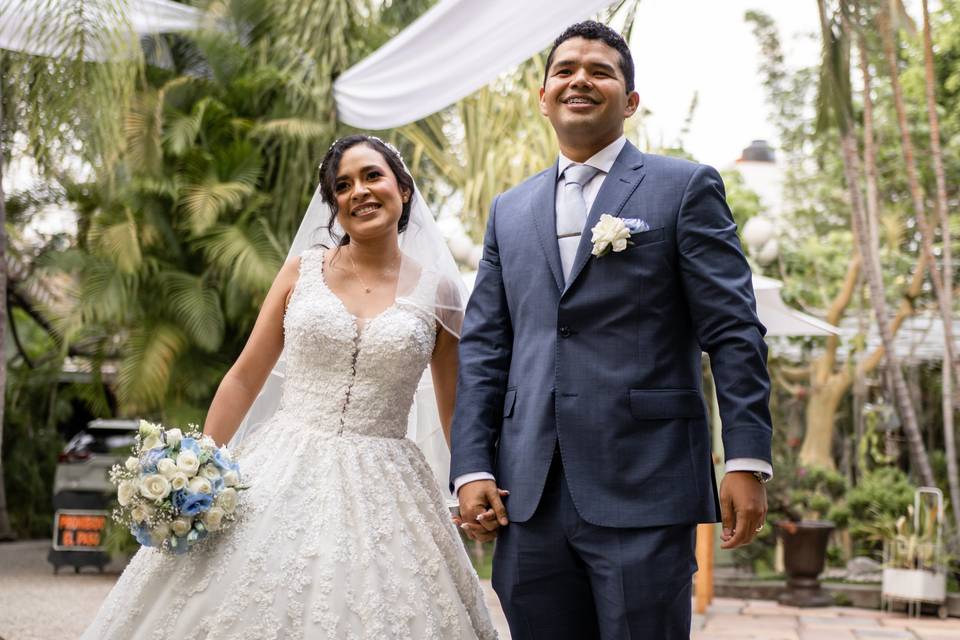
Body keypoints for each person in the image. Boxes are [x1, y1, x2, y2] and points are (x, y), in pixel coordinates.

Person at [83, 135, 498, 640]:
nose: (359, 192)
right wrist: (199, 465)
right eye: (342, 186)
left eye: (372, 176)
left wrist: (470, 486)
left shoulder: (442, 290)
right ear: (334, 207)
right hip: (281, 463)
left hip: (387, 480)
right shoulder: (301, 272)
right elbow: (244, 375)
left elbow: (455, 410)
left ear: (403, 189)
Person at [451, 20, 773, 639]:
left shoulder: (684, 188)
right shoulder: (509, 210)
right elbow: (487, 347)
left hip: (645, 482)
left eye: (600, 71)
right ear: (543, 97)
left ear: (629, 101)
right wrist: (472, 467)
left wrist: (748, 457)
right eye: (564, 69)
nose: (580, 79)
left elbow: (733, 331)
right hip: (529, 492)